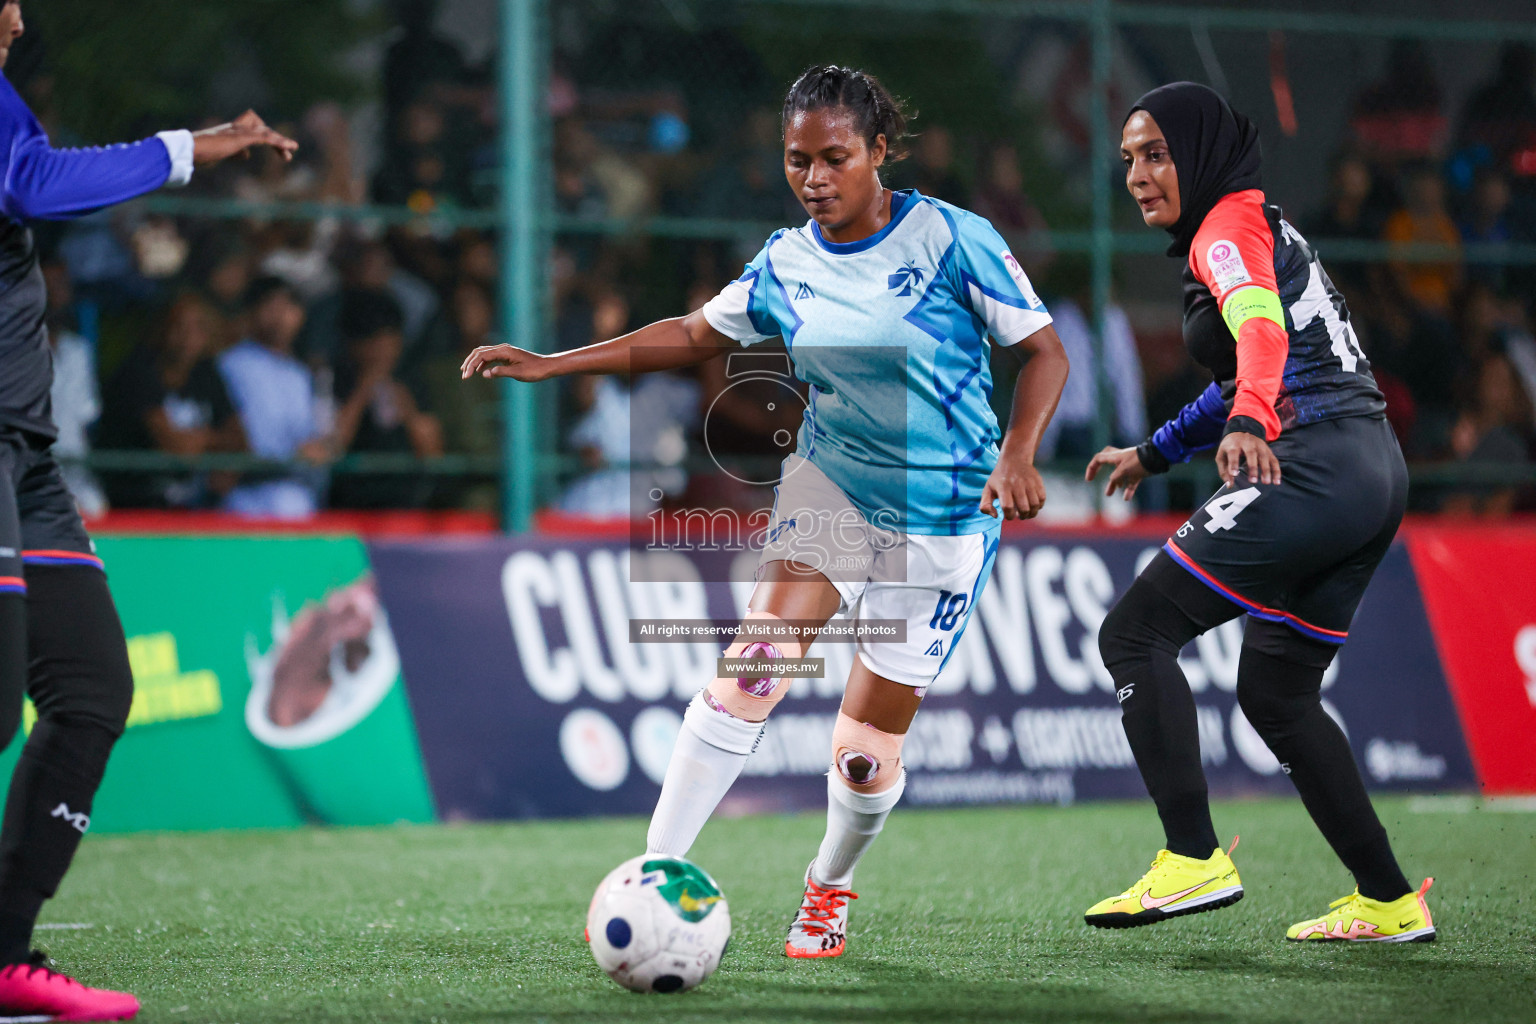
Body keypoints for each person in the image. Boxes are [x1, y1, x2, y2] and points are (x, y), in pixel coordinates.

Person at [463, 66, 1067, 959]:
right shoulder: (786, 260)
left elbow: (1044, 353)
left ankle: (829, 886)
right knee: (752, 669)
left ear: (879, 153)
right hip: (832, 485)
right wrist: (554, 362)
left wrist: (1016, 454)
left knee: (864, 756)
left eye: (835, 158)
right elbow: (692, 333)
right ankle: (650, 874)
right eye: (797, 161)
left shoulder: (951, 238)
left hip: (943, 514)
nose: (815, 179)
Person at [1084, 82, 1435, 943]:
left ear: (1199, 152)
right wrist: (1157, 451)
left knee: (1133, 636)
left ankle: (1194, 857)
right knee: (1277, 693)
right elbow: (1243, 361)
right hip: (1371, 469)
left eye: (1157, 153)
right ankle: (1390, 900)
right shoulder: (1252, 218)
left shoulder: (1224, 230)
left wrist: (1251, 420)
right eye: (1128, 157)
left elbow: (1263, 339)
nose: (1137, 174)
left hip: (1310, 464)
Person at [0, 2, 298, 1017]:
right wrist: (188, 149)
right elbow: (31, 182)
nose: (18, 16)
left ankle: (2, 952)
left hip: (26, 460)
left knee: (89, 688)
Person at [97, 294, 245, 509]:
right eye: (179, 326)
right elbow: (177, 448)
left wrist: (207, 444)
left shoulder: (206, 372)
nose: (188, 336)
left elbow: (241, 440)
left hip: (192, 505)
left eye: (199, 328)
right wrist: (214, 442)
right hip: (133, 504)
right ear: (162, 329)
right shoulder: (137, 371)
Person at [218, 277, 329, 519]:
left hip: (298, 500)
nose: (280, 316)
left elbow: (312, 437)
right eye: (271, 306)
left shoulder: (300, 375)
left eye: (288, 307)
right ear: (252, 312)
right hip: (245, 499)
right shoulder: (232, 363)